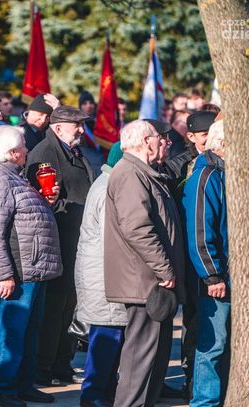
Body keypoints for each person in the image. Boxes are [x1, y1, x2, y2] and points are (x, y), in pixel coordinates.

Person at [0, 125, 62, 406]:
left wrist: (46, 200)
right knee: (11, 331)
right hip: (19, 269)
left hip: (33, 267)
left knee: (29, 329)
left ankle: (23, 385)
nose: (27, 149)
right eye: (24, 145)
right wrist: (4, 274)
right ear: (13, 152)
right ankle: (2, 389)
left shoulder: (14, 175)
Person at [104, 120, 185, 407]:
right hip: (144, 281)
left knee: (154, 358)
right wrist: (164, 268)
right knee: (140, 357)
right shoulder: (130, 173)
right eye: (161, 138)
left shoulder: (144, 172)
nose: (165, 143)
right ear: (145, 141)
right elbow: (137, 228)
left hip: (151, 280)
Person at [25, 106, 94, 386]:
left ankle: (61, 364)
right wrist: (77, 211)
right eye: (76, 125)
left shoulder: (72, 151)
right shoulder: (45, 153)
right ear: (58, 127)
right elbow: (40, 201)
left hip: (76, 240)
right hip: (59, 242)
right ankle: (44, 367)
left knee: (69, 307)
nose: (82, 130)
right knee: (54, 309)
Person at [181, 120, 230, 406]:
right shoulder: (206, 175)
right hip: (213, 278)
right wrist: (212, 275)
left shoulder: (222, 173)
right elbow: (200, 231)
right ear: (221, 144)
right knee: (212, 344)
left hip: (227, 273)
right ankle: (204, 402)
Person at [75, 142, 127, 407]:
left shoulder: (109, 182)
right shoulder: (109, 187)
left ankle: (103, 391)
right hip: (103, 278)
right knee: (105, 340)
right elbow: (113, 238)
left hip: (105, 275)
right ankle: (93, 396)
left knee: (110, 340)